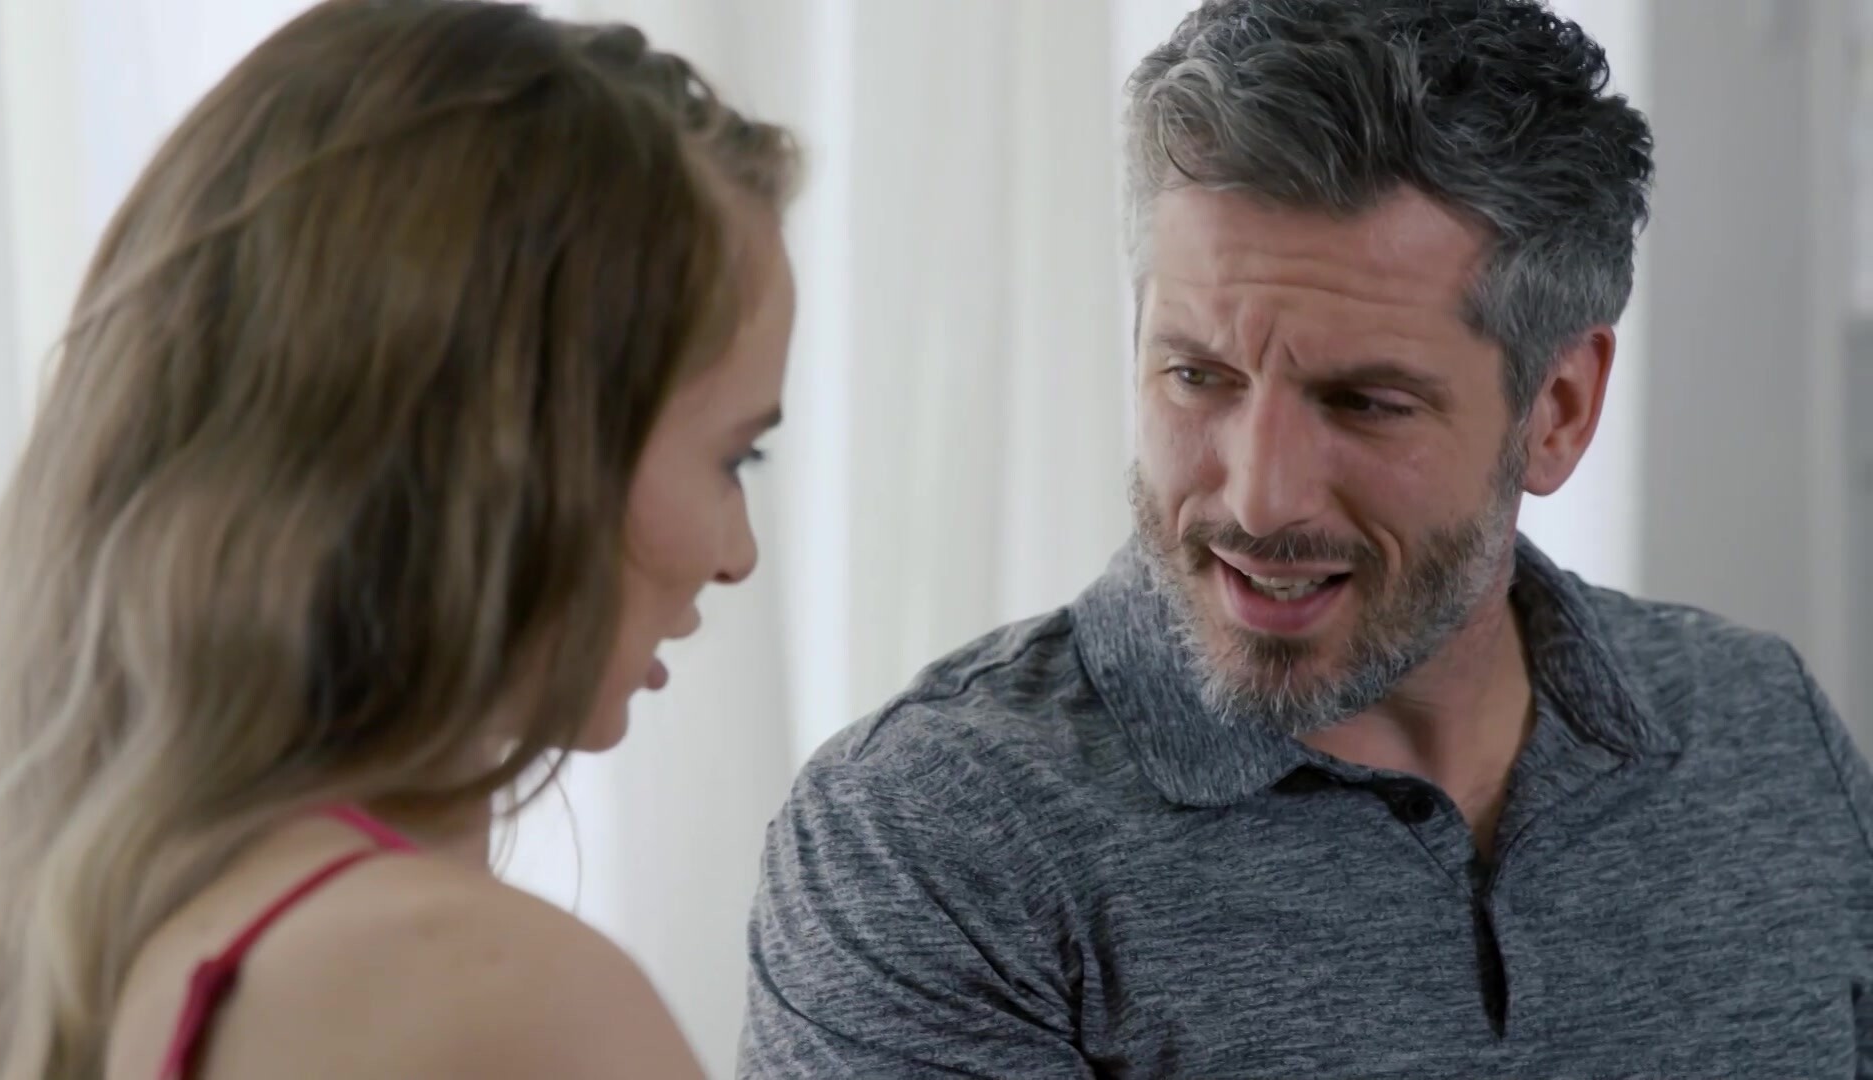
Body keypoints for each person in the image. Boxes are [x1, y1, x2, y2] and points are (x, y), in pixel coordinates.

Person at [739, 0, 1873, 1076]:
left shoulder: (1762, 729)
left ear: (1558, 410)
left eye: (1365, 402)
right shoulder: (933, 838)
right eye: (1197, 376)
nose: (1260, 498)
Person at [0, 1, 797, 1077]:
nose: (737, 557)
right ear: (516, 450)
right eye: (734, 458)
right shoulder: (490, 999)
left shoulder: (60, 945)